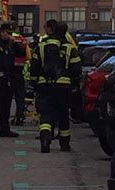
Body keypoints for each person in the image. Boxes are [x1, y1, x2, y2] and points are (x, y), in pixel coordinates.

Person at [30, 20, 82, 153]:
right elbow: (76, 69)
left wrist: (35, 83)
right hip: (63, 88)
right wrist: (74, 84)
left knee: (46, 114)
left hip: (45, 86)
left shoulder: (41, 46)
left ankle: (45, 140)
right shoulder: (70, 48)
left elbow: (34, 66)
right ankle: (64, 144)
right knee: (63, 114)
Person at [0, 22, 25, 138]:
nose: (8, 35)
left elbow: (22, 54)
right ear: (1, 33)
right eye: (7, 33)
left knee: (6, 106)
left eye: (10, 33)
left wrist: (16, 44)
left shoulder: (11, 45)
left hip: (8, 79)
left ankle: (4, 129)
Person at [56, 22, 83, 124]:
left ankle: (46, 132)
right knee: (63, 111)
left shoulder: (44, 45)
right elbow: (76, 67)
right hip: (65, 84)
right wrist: (75, 80)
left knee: (49, 111)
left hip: (47, 84)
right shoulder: (70, 46)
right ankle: (63, 136)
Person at [10, 25, 31, 126]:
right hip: (19, 71)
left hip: (7, 72)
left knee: (5, 96)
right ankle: (19, 117)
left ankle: (3, 117)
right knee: (20, 96)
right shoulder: (22, 39)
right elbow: (28, 56)